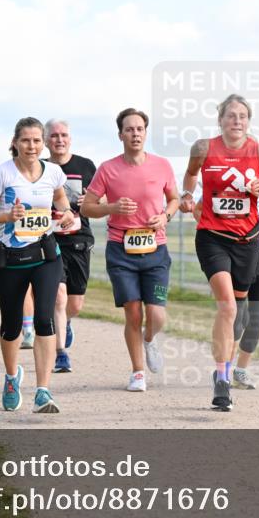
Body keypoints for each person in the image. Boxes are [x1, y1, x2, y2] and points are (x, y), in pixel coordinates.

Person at [179, 94, 259, 411]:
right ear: (220, 119)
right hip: (212, 236)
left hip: (247, 241)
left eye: (242, 117)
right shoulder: (203, 148)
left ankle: (222, 367)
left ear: (248, 122)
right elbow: (192, 174)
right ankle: (223, 381)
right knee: (227, 307)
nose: (237, 121)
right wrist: (186, 194)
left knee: (237, 314)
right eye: (231, 116)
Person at [0, 117, 76, 414]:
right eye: (25, 140)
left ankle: (43, 391)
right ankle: (11, 377)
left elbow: (60, 198)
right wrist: (7, 217)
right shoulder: (2, 174)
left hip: (46, 254)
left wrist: (67, 212)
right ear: (15, 142)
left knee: (44, 319)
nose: (31, 146)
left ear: (43, 143)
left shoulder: (54, 172)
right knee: (11, 326)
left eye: (36, 140)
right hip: (11, 258)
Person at [81, 108, 179, 393]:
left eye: (140, 129)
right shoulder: (108, 169)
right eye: (129, 129)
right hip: (121, 250)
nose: (135, 134)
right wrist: (112, 207)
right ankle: (137, 372)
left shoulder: (161, 165)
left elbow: (172, 199)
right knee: (133, 312)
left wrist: (165, 217)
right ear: (120, 135)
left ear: (145, 133)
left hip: (156, 249)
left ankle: (150, 339)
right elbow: (87, 207)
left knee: (157, 315)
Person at [194, 191, 259, 389]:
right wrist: (217, 230)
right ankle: (224, 371)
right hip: (234, 250)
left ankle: (241, 370)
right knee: (236, 313)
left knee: (256, 314)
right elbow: (197, 210)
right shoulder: (228, 179)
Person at [43, 118, 97, 374]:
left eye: (63, 135)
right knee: (59, 298)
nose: (59, 140)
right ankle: (60, 354)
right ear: (46, 141)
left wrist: (92, 199)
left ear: (70, 138)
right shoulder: (39, 168)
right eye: (54, 136)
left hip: (79, 238)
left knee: (74, 304)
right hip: (50, 239)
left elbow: (102, 198)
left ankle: (65, 324)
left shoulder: (85, 166)